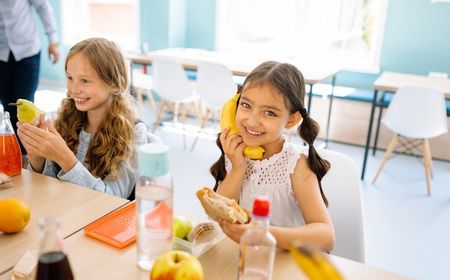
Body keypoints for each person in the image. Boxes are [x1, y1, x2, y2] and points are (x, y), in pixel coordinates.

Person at [210, 61, 335, 251]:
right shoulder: (235, 152)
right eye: (246, 105)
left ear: (291, 120)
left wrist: (261, 233)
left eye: (269, 113)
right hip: (239, 258)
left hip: (280, 262)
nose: (252, 121)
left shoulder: (296, 164)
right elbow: (218, 215)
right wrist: (237, 168)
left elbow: (326, 237)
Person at [17, 38, 147, 198]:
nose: (74, 89)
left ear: (114, 84)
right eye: (70, 78)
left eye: (85, 81)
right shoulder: (65, 118)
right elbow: (49, 190)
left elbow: (113, 199)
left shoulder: (134, 132)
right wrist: (38, 160)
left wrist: (66, 159)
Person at [0, 0, 60, 150]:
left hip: (28, 50)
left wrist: (53, 41)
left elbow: (43, 7)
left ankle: (30, 151)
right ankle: (13, 149)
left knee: (25, 104)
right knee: (8, 104)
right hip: (1, 54)